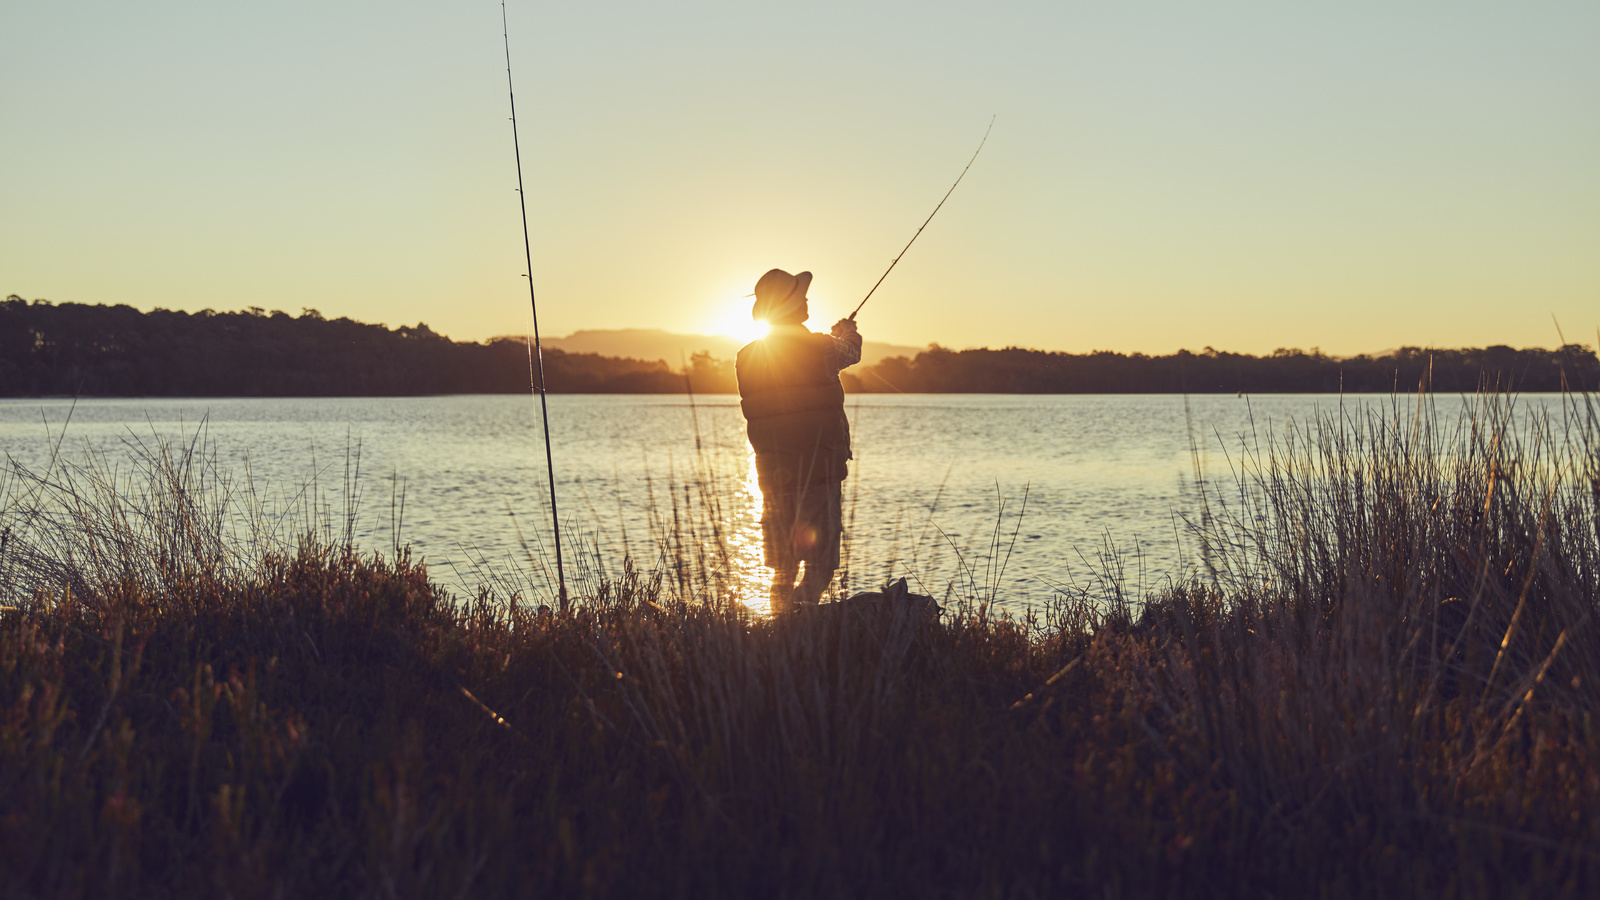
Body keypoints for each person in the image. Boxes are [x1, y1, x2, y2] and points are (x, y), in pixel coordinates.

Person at [735, 268, 862, 613]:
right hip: (818, 474)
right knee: (820, 568)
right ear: (791, 305)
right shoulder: (822, 347)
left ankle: (776, 628)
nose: (807, 300)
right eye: (801, 295)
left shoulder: (746, 356)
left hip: (773, 478)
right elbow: (851, 350)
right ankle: (793, 625)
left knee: (782, 567)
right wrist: (848, 332)